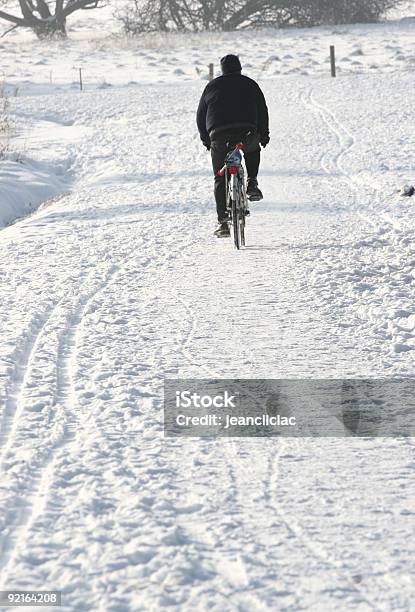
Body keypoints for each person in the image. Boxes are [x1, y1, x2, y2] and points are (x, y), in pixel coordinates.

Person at [197, 54, 270, 237]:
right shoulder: (250, 84)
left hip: (219, 135)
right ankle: (252, 182)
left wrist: (207, 140)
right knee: (252, 149)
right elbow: (262, 110)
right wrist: (264, 135)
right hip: (247, 132)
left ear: (222, 70)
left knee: (219, 178)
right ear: (239, 68)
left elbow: (200, 116)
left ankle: (222, 222)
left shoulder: (211, 86)